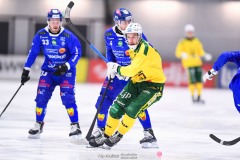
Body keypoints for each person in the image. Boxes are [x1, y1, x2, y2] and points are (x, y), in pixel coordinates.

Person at [89, 23, 166, 148]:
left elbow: (131, 70)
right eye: (128, 37)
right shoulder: (132, 49)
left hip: (153, 86)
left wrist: (116, 68)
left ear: (140, 37)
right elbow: (132, 69)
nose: (131, 40)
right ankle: (106, 135)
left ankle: (118, 135)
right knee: (115, 108)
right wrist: (116, 69)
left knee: (132, 109)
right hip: (136, 82)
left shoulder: (143, 49)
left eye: (134, 37)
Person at [21, 9, 82, 141]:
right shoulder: (41, 34)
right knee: (41, 97)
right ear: (48, 21)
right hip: (48, 72)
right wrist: (26, 69)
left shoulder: (68, 36)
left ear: (60, 22)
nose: (55, 24)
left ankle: (75, 125)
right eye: (52, 21)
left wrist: (66, 66)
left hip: (66, 72)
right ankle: (38, 123)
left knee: (68, 99)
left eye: (58, 21)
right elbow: (33, 52)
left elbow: (77, 53)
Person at [175, 24, 206, 103]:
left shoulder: (197, 41)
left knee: (199, 80)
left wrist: (204, 55)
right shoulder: (182, 42)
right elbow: (178, 52)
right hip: (189, 64)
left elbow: (200, 51)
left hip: (197, 63)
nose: (190, 34)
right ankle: (193, 97)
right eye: (189, 32)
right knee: (192, 81)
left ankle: (199, 96)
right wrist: (182, 54)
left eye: (191, 32)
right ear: (186, 33)